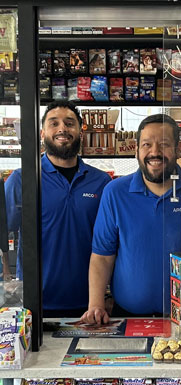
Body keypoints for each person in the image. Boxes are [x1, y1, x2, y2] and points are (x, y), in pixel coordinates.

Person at [82, 114, 181, 324]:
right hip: (128, 317)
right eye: (147, 144)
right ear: (136, 149)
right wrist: (95, 305)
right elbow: (102, 256)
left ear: (178, 148)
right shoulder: (115, 192)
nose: (154, 152)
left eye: (164, 144)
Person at [4, 100, 111, 316]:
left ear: (81, 131)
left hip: (91, 306)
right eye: (54, 123)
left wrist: (108, 293)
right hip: (35, 306)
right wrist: (5, 278)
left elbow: (112, 244)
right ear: (42, 133)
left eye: (69, 123)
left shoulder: (101, 182)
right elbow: (2, 232)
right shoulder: (22, 180)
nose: (62, 128)